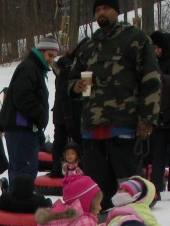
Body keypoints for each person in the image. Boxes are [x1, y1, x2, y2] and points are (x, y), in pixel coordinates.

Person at [68, 2, 161, 211]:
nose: (101, 13)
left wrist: (147, 119)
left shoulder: (135, 38)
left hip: (124, 127)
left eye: (105, 8)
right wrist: (75, 86)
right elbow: (71, 79)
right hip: (92, 132)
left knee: (130, 191)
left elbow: (151, 80)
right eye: (97, 10)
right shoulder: (88, 46)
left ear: (116, 11)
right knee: (97, 194)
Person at [0, 35, 60, 191]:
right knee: (23, 174)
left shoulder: (35, 68)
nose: (51, 60)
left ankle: (17, 200)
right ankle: (18, 204)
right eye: (50, 55)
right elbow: (23, 97)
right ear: (41, 51)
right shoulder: (29, 68)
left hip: (26, 129)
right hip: (21, 129)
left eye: (54, 56)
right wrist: (40, 116)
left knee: (24, 171)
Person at [49, 40, 87, 178]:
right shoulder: (69, 67)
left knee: (61, 141)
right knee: (64, 142)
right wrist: (68, 118)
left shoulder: (72, 65)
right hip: (67, 113)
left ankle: (61, 169)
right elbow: (64, 94)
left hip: (67, 112)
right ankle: (59, 170)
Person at [148, 31, 170, 197]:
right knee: (158, 155)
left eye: (157, 48)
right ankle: (155, 187)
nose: (156, 51)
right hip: (159, 116)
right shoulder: (153, 64)